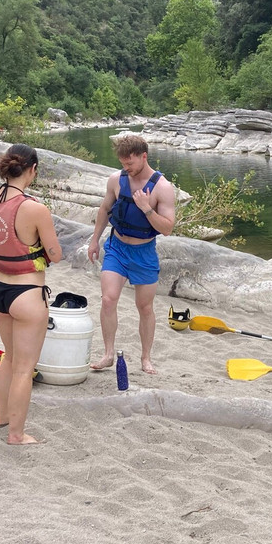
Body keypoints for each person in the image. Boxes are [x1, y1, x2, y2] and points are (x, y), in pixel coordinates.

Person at [0, 144, 62, 445]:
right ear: (33, 170)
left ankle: (2, 417)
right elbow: (56, 254)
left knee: (9, 358)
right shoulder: (35, 208)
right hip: (27, 294)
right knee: (25, 369)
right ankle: (16, 434)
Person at [87, 134, 175, 375]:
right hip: (117, 247)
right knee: (108, 299)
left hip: (143, 252)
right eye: (123, 164)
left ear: (144, 156)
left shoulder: (163, 188)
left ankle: (146, 358)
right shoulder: (116, 179)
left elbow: (167, 228)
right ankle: (107, 354)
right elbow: (105, 209)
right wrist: (95, 240)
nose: (126, 168)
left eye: (130, 164)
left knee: (144, 307)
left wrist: (146, 208)